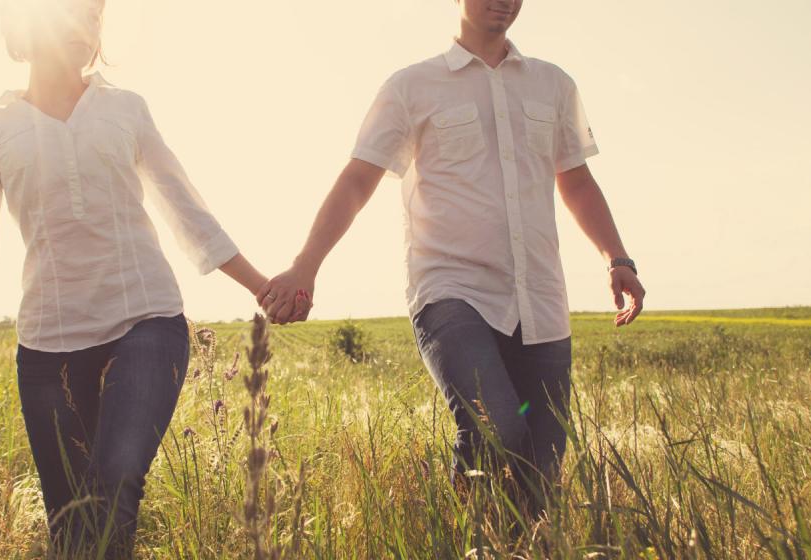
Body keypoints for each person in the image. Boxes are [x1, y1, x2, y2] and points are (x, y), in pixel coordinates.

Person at [258, 0, 645, 524]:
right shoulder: (411, 86)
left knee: (542, 465)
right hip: (450, 291)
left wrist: (616, 257)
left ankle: (512, 542)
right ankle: (468, 533)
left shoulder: (554, 85)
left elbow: (575, 179)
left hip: (541, 298)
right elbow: (357, 179)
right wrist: (306, 265)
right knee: (495, 426)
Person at [0, 0, 303, 555]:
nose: (84, 24)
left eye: (94, 13)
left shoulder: (126, 110)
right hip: (48, 349)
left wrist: (262, 287)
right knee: (71, 526)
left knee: (116, 479)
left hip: (144, 321)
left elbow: (186, 210)